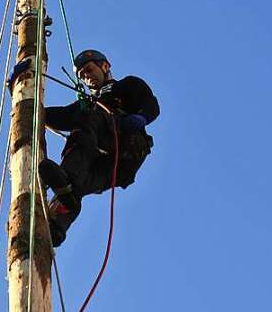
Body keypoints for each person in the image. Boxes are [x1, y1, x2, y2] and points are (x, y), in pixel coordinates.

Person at [8, 48, 159, 246]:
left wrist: (141, 118)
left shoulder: (127, 86)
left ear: (105, 66)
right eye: (81, 76)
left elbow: (152, 105)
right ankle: (54, 228)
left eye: (89, 69)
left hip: (126, 151)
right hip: (103, 164)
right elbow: (55, 116)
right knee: (74, 187)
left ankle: (67, 179)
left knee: (86, 120)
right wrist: (18, 90)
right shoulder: (86, 106)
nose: (86, 77)